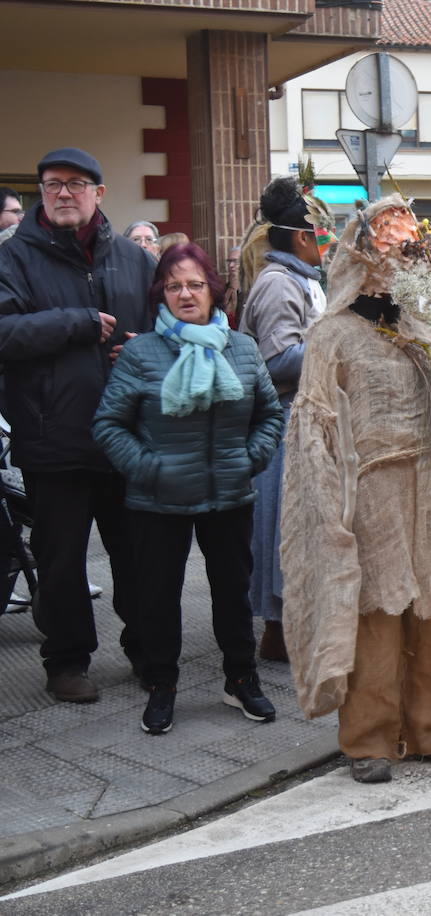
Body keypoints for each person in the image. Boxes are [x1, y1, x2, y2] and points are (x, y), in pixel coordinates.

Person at [280, 195, 431, 784]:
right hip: (371, 498)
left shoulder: (426, 325)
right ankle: (369, 741)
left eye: (413, 248)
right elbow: (314, 432)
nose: (407, 259)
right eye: (392, 247)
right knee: (377, 617)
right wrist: (328, 512)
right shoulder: (332, 336)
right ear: (362, 257)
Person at [92, 243, 283, 734]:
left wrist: (248, 459)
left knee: (232, 595)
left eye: (195, 283)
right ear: (162, 293)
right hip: (158, 500)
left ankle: (240, 679)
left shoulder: (240, 347)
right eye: (174, 285)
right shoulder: (140, 353)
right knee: (157, 597)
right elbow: (109, 425)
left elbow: (270, 415)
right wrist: (149, 468)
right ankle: (161, 685)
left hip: (228, 494)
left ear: (212, 290)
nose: (185, 294)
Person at [0, 147, 155, 703]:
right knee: (62, 560)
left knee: (137, 554)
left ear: (99, 193)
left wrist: (146, 349)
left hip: (127, 437)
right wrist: (75, 323)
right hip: (53, 437)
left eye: (75, 183)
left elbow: (172, 327)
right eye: (51, 184)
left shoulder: (133, 259)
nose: (63, 193)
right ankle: (66, 662)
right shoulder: (13, 258)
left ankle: (147, 652)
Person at [237, 177, 331, 662]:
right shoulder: (277, 284)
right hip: (286, 426)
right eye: (323, 234)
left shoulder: (300, 280)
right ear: (302, 237)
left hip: (309, 422)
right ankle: (278, 630)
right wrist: (340, 343)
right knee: (282, 530)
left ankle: (299, 622)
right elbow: (277, 362)